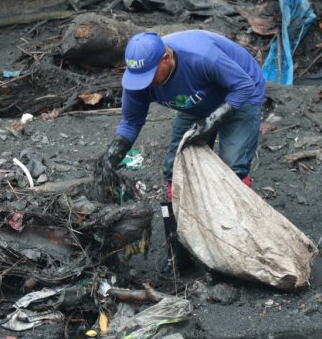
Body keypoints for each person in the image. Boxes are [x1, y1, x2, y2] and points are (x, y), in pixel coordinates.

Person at [102, 29, 266, 270]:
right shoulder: (138, 77)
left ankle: (237, 243)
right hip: (194, 102)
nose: (144, 83)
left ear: (166, 58)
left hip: (239, 93)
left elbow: (244, 85)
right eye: (139, 76)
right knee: (174, 168)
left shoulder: (201, 56)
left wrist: (214, 120)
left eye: (149, 74)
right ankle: (179, 251)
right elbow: (130, 121)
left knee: (232, 167)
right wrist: (112, 155)